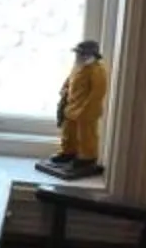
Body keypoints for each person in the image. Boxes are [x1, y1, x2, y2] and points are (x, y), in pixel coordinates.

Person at [40, 39, 106, 181]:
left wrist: (86, 109)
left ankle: (87, 157)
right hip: (71, 107)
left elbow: (97, 93)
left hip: (85, 110)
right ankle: (68, 152)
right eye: (78, 53)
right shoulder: (77, 67)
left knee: (86, 135)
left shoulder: (97, 71)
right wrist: (64, 92)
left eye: (82, 53)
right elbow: (69, 81)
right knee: (68, 132)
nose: (79, 56)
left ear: (91, 55)